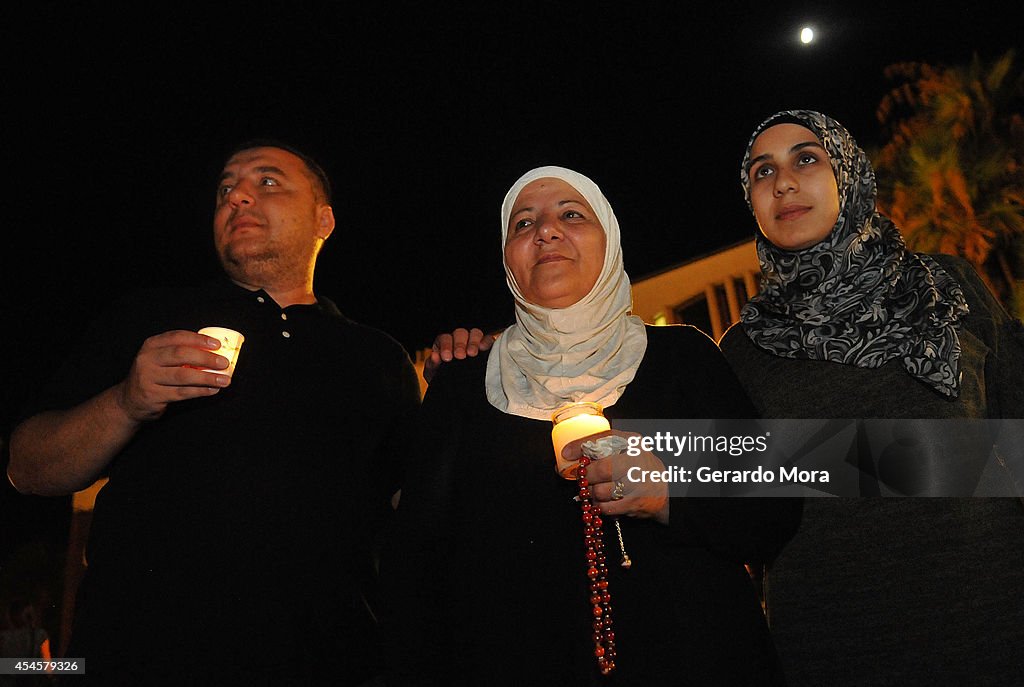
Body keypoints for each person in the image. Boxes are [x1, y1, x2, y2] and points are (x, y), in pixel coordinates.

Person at [7, 141, 420, 686]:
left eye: (267, 182)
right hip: (139, 660)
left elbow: (413, 524)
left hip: (328, 664)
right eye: (226, 189)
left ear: (324, 219)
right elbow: (28, 468)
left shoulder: (377, 358)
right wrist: (127, 401)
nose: (238, 196)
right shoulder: (147, 318)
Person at [382, 166, 801, 685]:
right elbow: (415, 570)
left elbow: (772, 512)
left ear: (610, 239)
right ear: (508, 260)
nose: (546, 231)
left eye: (572, 215)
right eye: (523, 223)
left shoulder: (681, 359)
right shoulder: (464, 388)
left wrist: (669, 493)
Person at [718, 110, 1024, 686]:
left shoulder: (949, 287)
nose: (783, 182)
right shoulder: (742, 352)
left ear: (849, 175)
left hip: (994, 623)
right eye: (762, 172)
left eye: (806, 159)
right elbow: (730, 501)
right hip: (834, 646)